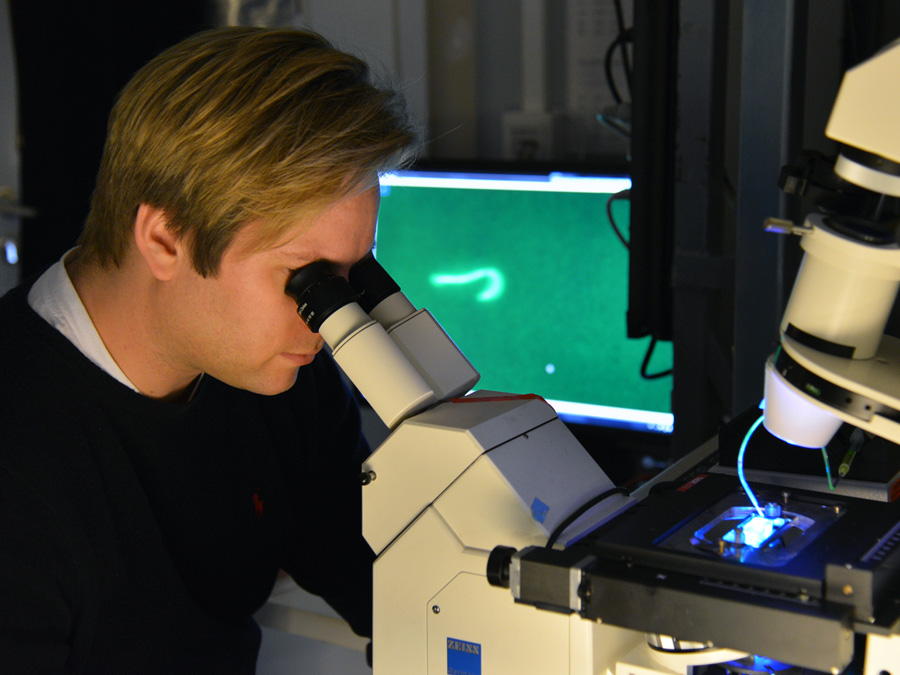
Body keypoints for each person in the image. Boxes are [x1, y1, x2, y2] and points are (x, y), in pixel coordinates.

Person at [0, 26, 418, 673]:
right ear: (165, 238)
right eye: (305, 280)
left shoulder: (281, 380)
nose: (333, 320)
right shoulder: (21, 459)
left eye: (351, 276)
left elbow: (398, 594)